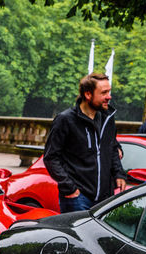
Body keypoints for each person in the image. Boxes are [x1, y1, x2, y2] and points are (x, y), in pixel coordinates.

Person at [43, 72, 127, 213]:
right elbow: (51, 157)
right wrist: (69, 187)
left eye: (109, 91)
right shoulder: (65, 120)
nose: (109, 97)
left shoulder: (108, 118)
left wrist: (119, 174)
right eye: (104, 92)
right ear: (88, 95)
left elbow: (112, 148)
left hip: (105, 199)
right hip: (77, 198)